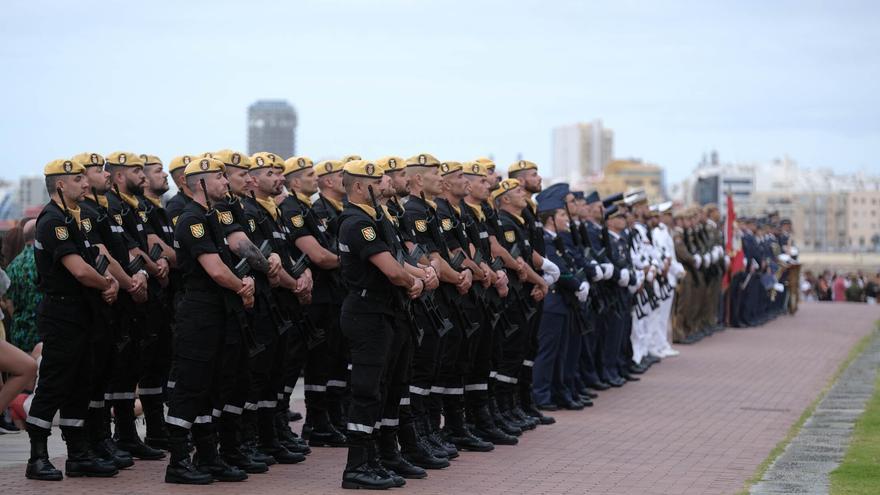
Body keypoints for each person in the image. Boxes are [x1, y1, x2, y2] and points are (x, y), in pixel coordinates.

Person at [25, 158, 120, 481]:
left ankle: (78, 454)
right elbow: (79, 269)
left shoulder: (74, 218)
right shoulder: (53, 220)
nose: (85, 183)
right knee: (54, 383)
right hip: (63, 312)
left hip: (83, 311)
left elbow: (94, 261)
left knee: (81, 384)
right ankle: (37, 456)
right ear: (60, 185)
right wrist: (107, 284)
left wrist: (108, 282)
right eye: (78, 178)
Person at [336, 159, 424, 489]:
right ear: (359, 187)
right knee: (366, 391)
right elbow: (391, 269)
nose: (383, 185)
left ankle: (374, 458)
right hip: (366, 312)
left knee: (381, 388)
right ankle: (356, 466)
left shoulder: (373, 219)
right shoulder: (358, 222)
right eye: (376, 181)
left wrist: (415, 276)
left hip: (380, 311)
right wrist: (412, 282)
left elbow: (400, 261)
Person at [6, 219, 41, 354]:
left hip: (19, 332)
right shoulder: (43, 260)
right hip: (42, 331)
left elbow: (9, 302)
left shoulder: (13, 265)